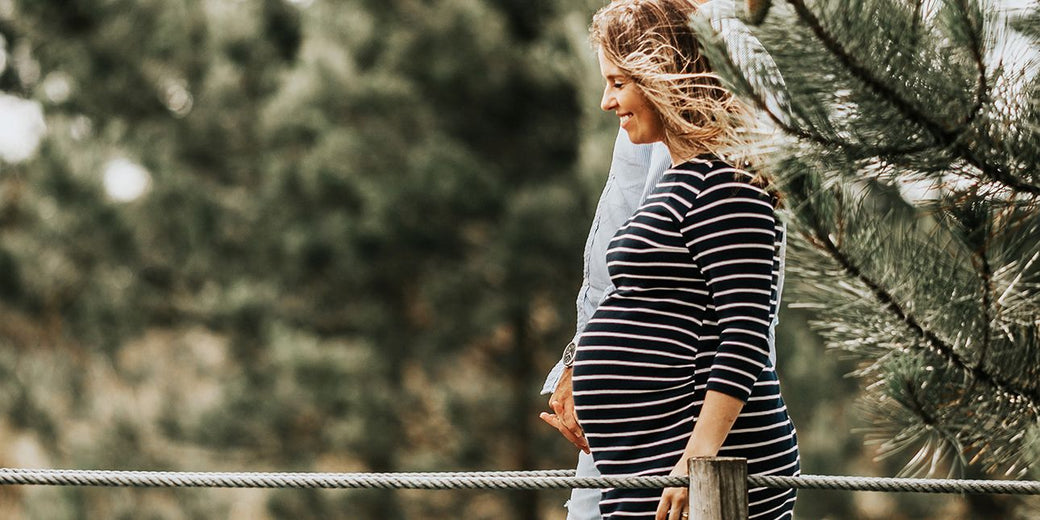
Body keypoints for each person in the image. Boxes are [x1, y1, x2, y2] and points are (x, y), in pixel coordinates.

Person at [539, 1, 792, 518]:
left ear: (662, 76)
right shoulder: (677, 181)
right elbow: (622, 291)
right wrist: (578, 364)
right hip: (642, 457)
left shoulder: (727, 186)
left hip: (690, 461)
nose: (606, 102)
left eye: (617, 83)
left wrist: (696, 459)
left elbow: (744, 332)